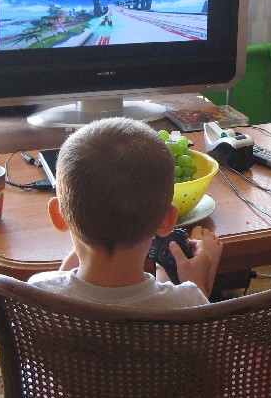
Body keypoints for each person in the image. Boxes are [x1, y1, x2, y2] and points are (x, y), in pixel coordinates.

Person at [26, 117, 222, 307]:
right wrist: (199, 284)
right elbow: (187, 315)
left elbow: (63, 287)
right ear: (168, 220)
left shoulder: (38, 293)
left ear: (58, 215)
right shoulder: (188, 302)